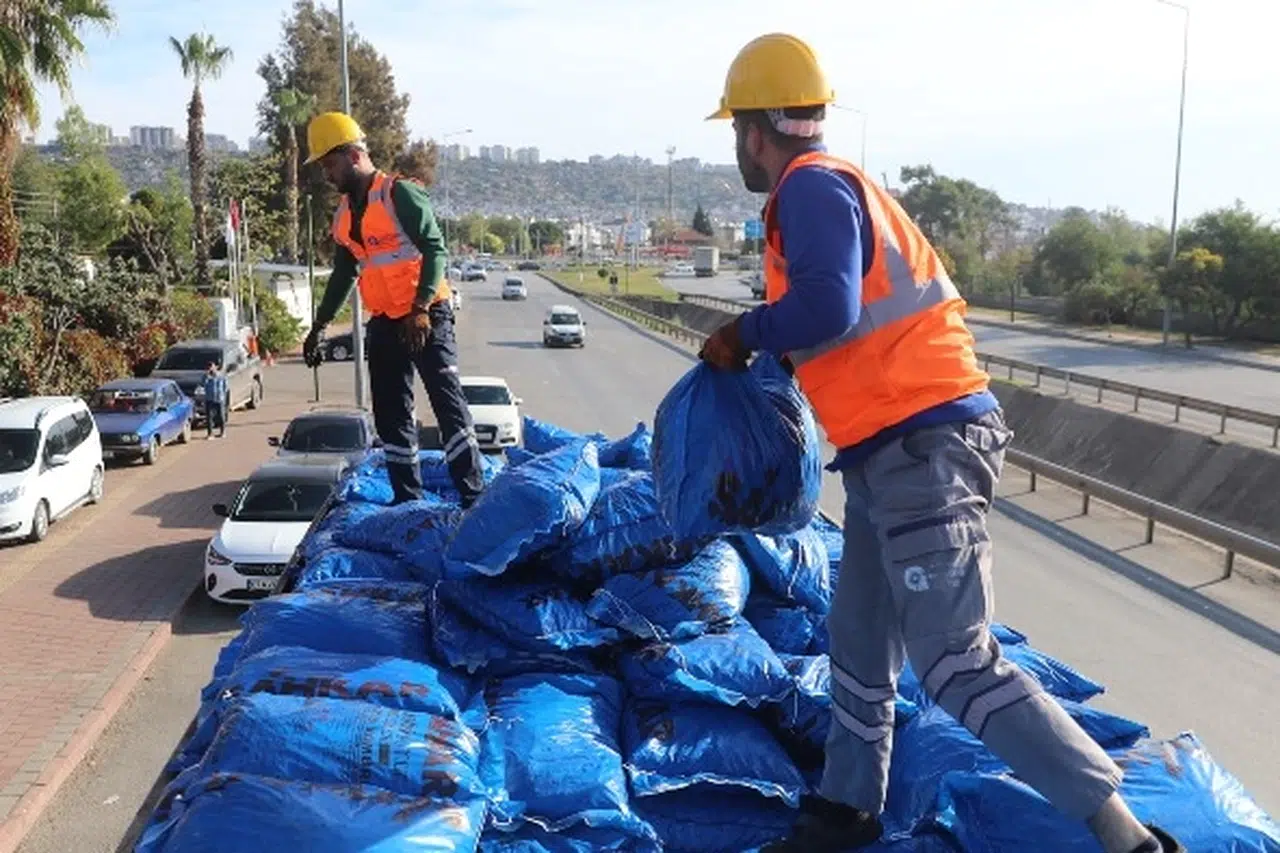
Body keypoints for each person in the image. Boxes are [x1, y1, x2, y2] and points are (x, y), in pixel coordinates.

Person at [699, 33, 1185, 853]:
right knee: (859, 644)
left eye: (737, 131)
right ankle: (847, 807)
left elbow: (828, 307)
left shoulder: (809, 188)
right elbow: (846, 323)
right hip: (885, 451)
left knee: (954, 661)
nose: (738, 147)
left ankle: (1128, 836)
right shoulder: (836, 188)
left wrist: (745, 332)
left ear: (755, 130)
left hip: (925, 446)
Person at [301, 111, 484, 508]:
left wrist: (420, 307)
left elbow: (435, 249)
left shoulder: (399, 194)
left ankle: (473, 497)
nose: (326, 175)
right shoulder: (344, 216)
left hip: (425, 316)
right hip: (385, 322)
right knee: (391, 414)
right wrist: (319, 325)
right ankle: (407, 502)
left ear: (353, 156)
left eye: (329, 164)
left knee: (447, 404)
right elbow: (344, 273)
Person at [201, 362, 227, 439]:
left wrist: (223, 395)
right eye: (209, 367)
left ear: (215, 367)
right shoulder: (206, 376)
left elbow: (225, 386)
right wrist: (207, 376)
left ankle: (223, 432)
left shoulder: (221, 375)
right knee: (209, 417)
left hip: (219, 398)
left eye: (212, 367)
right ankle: (210, 434)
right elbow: (203, 384)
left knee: (221, 416)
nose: (211, 369)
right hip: (210, 398)